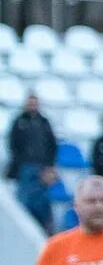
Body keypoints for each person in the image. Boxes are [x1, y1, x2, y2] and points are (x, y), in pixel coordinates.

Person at [8, 93, 58, 222]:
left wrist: (50, 166)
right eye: (30, 103)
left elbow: (52, 145)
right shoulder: (19, 122)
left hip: (42, 168)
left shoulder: (44, 122)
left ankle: (43, 228)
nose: (32, 105)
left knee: (42, 202)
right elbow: (13, 145)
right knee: (24, 201)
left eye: (34, 103)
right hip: (25, 167)